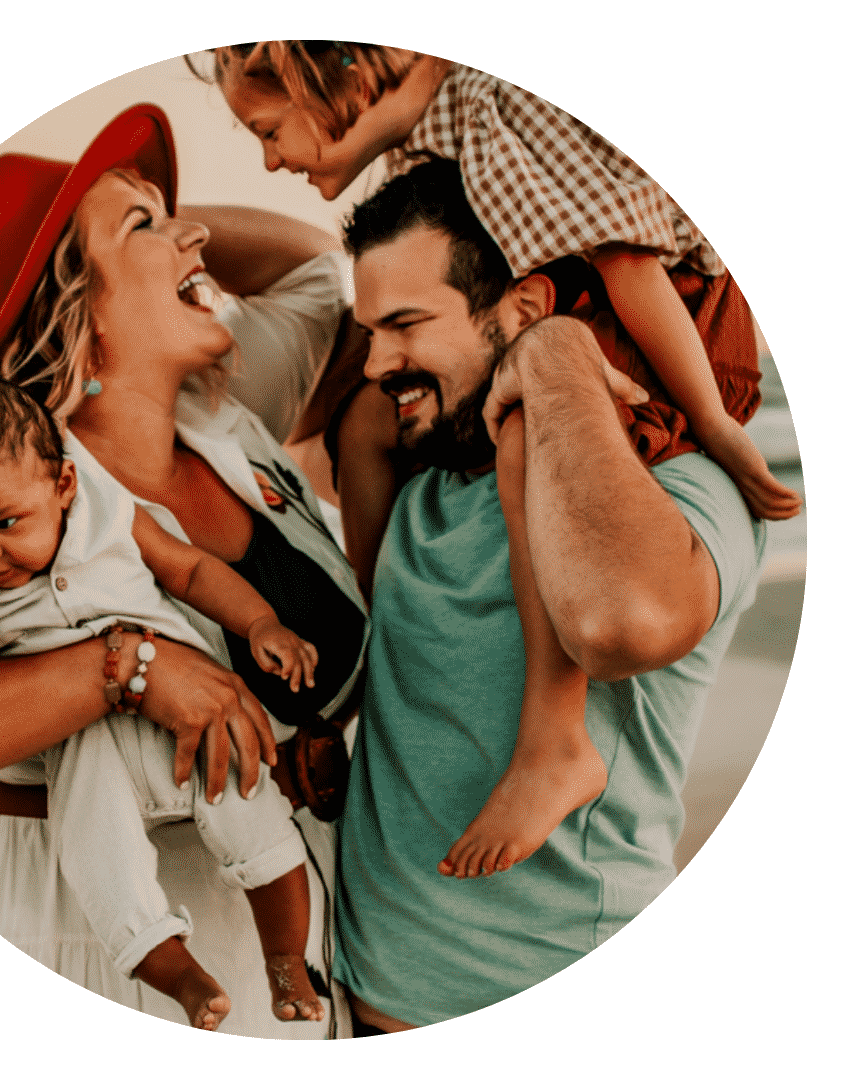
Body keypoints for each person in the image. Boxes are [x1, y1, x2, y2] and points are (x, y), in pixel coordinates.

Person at [0, 105, 368, 1038]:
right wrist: (125, 669)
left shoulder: (228, 422)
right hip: (65, 933)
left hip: (294, 912)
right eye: (145, 226)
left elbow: (318, 266)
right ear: (75, 303)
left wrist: (154, 230)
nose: (195, 232)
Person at [199, 41, 795, 873]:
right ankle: (377, 658)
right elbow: (331, 264)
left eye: (270, 131)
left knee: (528, 412)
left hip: (666, 338)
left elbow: (626, 263)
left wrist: (712, 421)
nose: (270, 158)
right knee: (365, 419)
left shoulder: (491, 121)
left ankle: (555, 740)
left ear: (336, 85)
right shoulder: (422, 141)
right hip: (563, 312)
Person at [328, 161, 765, 1030]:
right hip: (362, 1004)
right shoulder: (420, 480)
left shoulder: (684, 497)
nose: (376, 361)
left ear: (523, 311)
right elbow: (288, 304)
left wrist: (556, 352)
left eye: (406, 324)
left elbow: (616, 621)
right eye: (368, 328)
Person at [0, 372, 325, 1029]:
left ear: (62, 487)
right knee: (99, 860)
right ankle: (182, 977)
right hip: (82, 756)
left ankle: (285, 963)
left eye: (5, 522)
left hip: (187, 727)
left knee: (256, 821)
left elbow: (190, 569)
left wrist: (260, 624)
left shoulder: (108, 520)